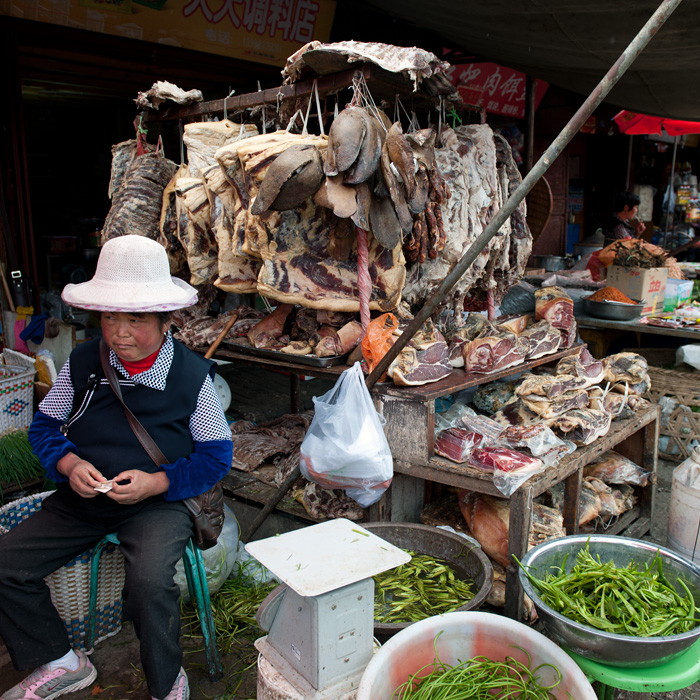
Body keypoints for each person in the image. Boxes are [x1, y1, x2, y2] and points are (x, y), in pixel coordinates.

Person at [0, 236, 233, 700]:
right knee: (6, 563)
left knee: (148, 583)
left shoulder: (192, 378)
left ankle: (167, 682)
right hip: (85, 497)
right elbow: (44, 427)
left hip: (158, 506)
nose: (120, 333)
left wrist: (158, 482)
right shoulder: (85, 362)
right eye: (110, 317)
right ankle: (62, 661)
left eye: (136, 320)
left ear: (167, 321)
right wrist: (69, 464)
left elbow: (215, 458)